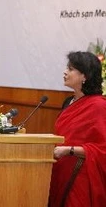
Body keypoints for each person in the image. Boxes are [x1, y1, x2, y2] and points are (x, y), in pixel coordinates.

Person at [48, 51, 106, 207]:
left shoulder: (98, 106)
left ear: (85, 76)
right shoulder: (68, 102)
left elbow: (102, 149)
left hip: (80, 175)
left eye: (71, 68)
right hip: (60, 170)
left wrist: (69, 150)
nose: (65, 72)